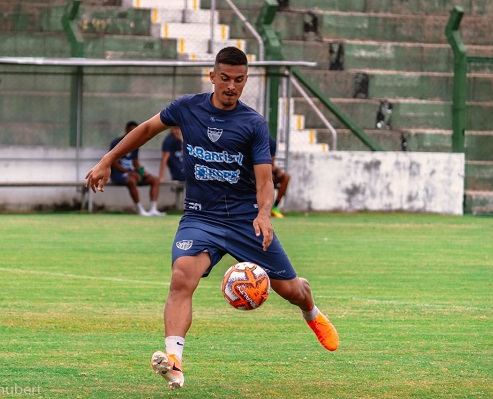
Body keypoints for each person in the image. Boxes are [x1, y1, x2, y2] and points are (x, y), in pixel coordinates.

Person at [86, 47, 339, 390]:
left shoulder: (253, 124)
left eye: (239, 80)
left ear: (245, 80)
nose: (231, 86)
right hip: (200, 217)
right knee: (181, 277)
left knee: (291, 290)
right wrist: (107, 160)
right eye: (225, 78)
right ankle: (173, 360)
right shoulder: (187, 108)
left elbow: (264, 181)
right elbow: (146, 129)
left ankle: (311, 311)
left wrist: (264, 214)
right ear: (213, 76)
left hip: (245, 220)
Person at [109, 121, 166, 216]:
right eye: (131, 130)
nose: (133, 132)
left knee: (155, 180)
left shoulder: (136, 143)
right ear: (126, 130)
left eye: (135, 130)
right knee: (131, 180)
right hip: (118, 173)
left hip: (132, 172)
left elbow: (135, 163)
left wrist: (142, 171)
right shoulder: (116, 142)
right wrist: (131, 173)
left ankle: (153, 209)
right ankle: (140, 209)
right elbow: (115, 164)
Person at [268, 136, 291, 218]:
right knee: (270, 178)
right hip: (254, 172)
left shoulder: (271, 142)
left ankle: (274, 207)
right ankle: (264, 207)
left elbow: (270, 163)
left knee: (286, 177)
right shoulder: (252, 140)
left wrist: (277, 171)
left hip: (268, 170)